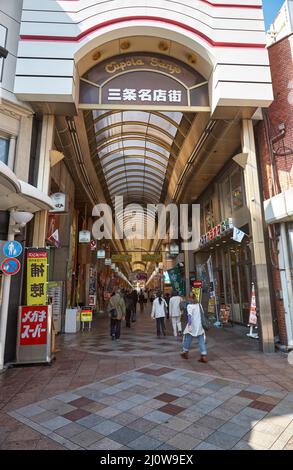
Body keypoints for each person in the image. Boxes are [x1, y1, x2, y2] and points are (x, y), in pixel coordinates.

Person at [180, 294, 208, 363]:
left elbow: (189, 316)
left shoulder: (190, 306)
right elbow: (202, 314)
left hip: (192, 325)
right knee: (201, 340)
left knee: (188, 338)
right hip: (199, 325)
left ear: (190, 298)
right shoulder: (199, 305)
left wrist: (189, 325)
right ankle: (203, 355)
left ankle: (185, 352)